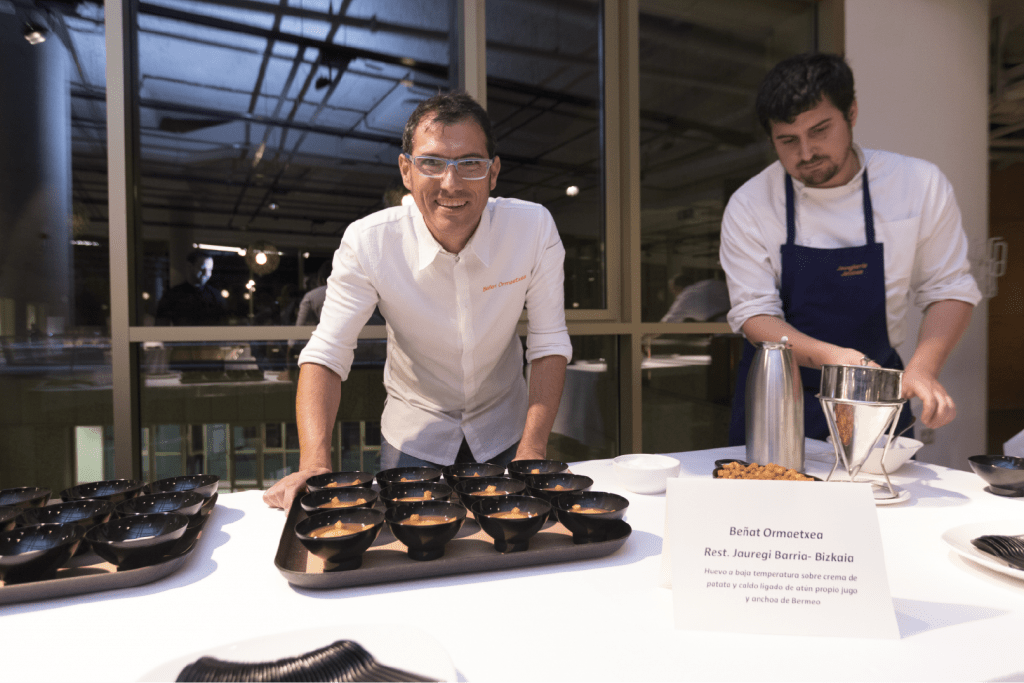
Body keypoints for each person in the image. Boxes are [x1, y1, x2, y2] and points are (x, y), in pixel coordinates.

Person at [264, 91, 572, 510]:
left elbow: (549, 343)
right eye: (432, 163)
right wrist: (314, 462)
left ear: (493, 172)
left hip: (509, 429)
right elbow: (327, 353)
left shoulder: (532, 228)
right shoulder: (370, 241)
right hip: (414, 434)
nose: (452, 183)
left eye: (470, 164)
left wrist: (533, 451)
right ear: (406, 171)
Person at [719, 53, 981, 445]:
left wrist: (923, 368)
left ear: (852, 113)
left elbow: (949, 289)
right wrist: (836, 358)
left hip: (875, 395)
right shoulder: (751, 203)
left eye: (820, 130)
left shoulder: (917, 185)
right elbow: (755, 314)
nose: (805, 153)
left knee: (883, 502)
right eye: (788, 140)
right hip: (779, 396)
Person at [155, 249, 227, 325]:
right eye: (202, 268)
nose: (207, 273)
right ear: (189, 267)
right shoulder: (172, 296)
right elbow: (161, 325)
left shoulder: (216, 296)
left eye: (210, 270)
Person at [661, 275, 730, 323]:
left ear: (678, 288)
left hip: (727, 330)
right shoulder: (712, 282)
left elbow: (667, 322)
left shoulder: (685, 297)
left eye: (673, 291)